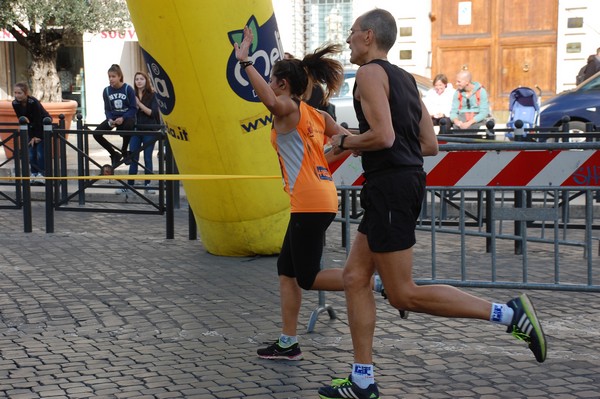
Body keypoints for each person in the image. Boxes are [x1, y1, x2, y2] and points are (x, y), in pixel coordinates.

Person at [318, 9, 546, 399]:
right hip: (396, 185)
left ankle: (510, 315)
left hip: (391, 188)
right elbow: (429, 144)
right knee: (355, 279)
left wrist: (346, 142)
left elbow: (385, 137)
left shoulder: (371, 74)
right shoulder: (405, 79)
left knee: (403, 292)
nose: (349, 39)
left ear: (369, 36)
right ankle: (361, 379)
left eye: (353, 33)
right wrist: (366, 141)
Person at [234, 26, 390, 361]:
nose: (271, 85)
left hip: (309, 202)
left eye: (273, 79)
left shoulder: (289, 108)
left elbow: (270, 100)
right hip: (317, 198)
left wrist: (246, 62)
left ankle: (375, 285)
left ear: (283, 84)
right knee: (286, 269)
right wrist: (323, 159)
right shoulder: (317, 115)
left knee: (307, 277)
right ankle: (288, 342)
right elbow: (346, 142)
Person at [115, 71, 160, 195]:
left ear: (146, 81)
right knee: (133, 157)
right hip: (135, 130)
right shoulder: (131, 94)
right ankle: (129, 185)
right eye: (136, 79)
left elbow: (153, 113)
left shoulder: (152, 95)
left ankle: (148, 185)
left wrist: (139, 104)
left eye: (141, 79)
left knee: (147, 158)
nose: (139, 81)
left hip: (149, 131)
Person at [93, 64, 137, 168]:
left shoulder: (128, 89)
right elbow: (107, 109)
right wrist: (110, 119)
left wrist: (123, 118)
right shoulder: (106, 91)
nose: (111, 79)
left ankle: (124, 150)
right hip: (113, 118)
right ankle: (114, 154)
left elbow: (133, 108)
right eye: (109, 77)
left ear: (119, 77)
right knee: (96, 134)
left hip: (126, 118)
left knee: (129, 125)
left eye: (113, 76)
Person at [12, 82, 51, 185]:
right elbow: (22, 119)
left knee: (40, 152)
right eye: (15, 93)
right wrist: (31, 136)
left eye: (19, 93)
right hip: (30, 128)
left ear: (26, 93)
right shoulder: (15, 103)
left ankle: (42, 174)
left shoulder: (33, 102)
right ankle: (34, 173)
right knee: (31, 153)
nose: (17, 95)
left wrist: (37, 136)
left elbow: (38, 119)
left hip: (43, 127)